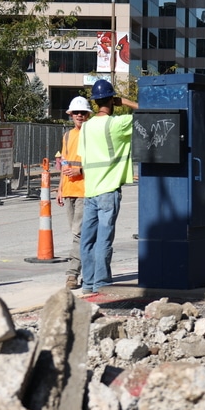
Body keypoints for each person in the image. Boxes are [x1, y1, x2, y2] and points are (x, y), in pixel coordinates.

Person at [76, 78, 138, 293]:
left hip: (90, 190)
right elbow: (150, 112)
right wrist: (127, 102)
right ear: (112, 100)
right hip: (108, 190)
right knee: (104, 239)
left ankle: (88, 283)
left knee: (87, 240)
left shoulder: (85, 127)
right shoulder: (117, 123)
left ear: (94, 102)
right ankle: (101, 283)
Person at [56, 95, 92, 290]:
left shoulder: (92, 133)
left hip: (85, 190)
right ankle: (90, 271)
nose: (79, 115)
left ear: (88, 115)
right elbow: (64, 162)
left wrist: (81, 170)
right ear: (71, 115)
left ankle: (72, 274)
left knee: (78, 234)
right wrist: (60, 188)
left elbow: (98, 161)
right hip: (69, 189)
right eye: (76, 112)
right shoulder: (68, 135)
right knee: (78, 233)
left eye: (83, 112)